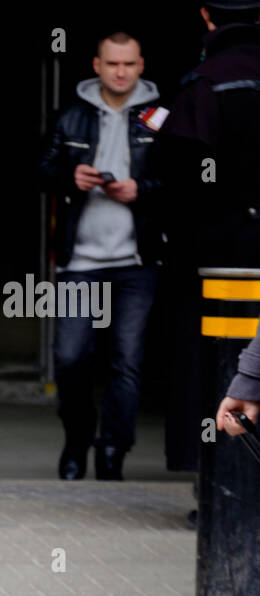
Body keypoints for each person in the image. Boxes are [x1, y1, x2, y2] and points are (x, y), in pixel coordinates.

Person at [38, 30, 162, 482]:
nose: (121, 72)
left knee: (125, 360)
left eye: (129, 64)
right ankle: (76, 441)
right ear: (97, 65)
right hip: (79, 263)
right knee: (70, 357)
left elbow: (183, 182)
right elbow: (42, 171)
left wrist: (141, 189)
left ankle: (112, 450)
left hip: (136, 262)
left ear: (141, 65)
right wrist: (72, 176)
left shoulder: (159, 117)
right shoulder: (71, 115)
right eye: (112, 64)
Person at [157, 3, 260, 443]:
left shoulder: (203, 84)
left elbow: (181, 177)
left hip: (222, 248)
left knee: (209, 361)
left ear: (205, 16)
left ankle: (215, 476)